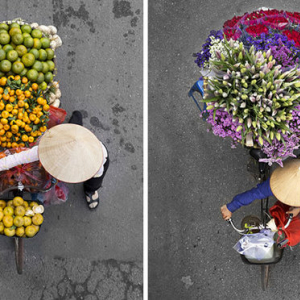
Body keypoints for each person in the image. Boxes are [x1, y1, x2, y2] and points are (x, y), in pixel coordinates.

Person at [0, 111, 109, 210]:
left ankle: (90, 190)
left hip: (91, 150)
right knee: (72, 130)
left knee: (94, 181)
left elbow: (98, 174)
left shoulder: (97, 159)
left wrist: (92, 183)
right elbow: (18, 158)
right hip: (70, 136)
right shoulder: (47, 148)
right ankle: (77, 117)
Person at [221, 159, 300, 246]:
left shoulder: (281, 184)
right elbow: (254, 194)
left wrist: (298, 209)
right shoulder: (274, 185)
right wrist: (231, 207)